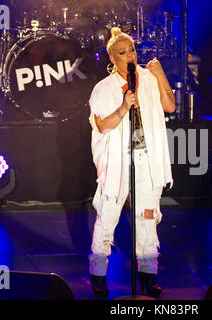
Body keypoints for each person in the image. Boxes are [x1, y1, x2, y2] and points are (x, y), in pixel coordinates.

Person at [87, 27, 175, 297]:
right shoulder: (103, 89)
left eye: (132, 50)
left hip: (146, 159)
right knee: (108, 216)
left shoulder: (148, 78)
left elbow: (169, 106)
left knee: (147, 218)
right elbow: (102, 126)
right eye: (123, 53)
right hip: (117, 160)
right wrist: (124, 106)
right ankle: (99, 275)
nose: (130, 56)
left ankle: (148, 275)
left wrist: (161, 76)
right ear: (112, 59)